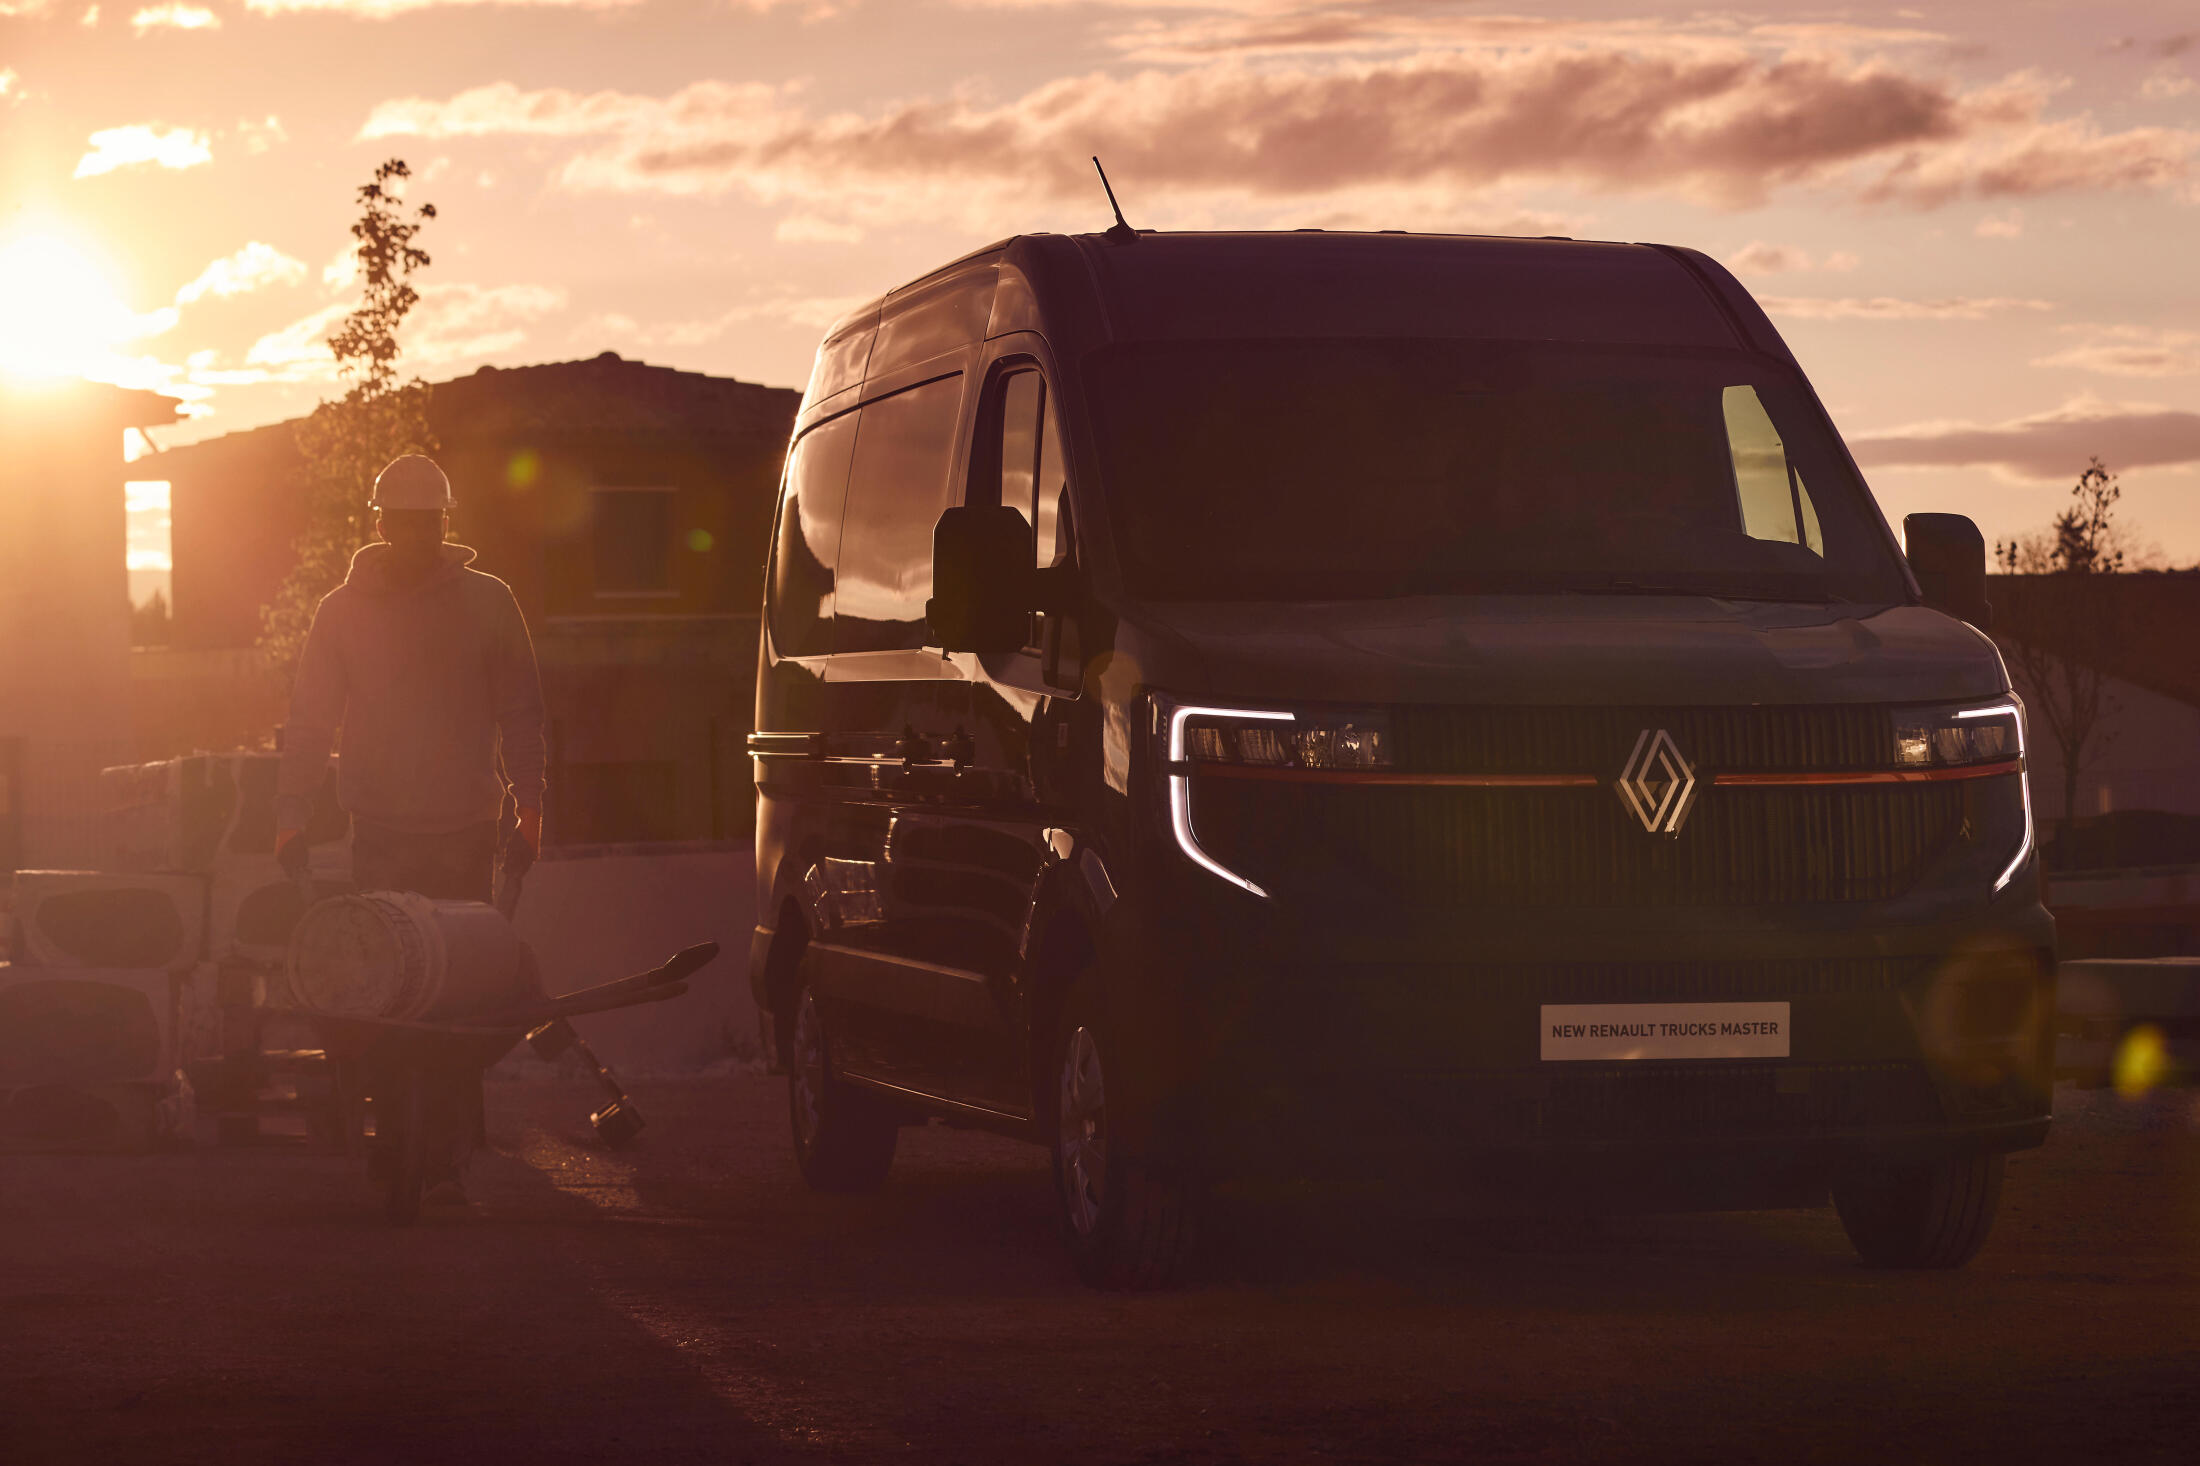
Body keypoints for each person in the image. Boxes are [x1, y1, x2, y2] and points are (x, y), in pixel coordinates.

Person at [275, 454, 546, 903]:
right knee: (393, 968)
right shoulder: (341, 613)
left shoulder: (490, 602)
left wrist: (530, 814)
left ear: (444, 524)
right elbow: (311, 724)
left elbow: (521, 715)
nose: (418, 534)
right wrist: (290, 820)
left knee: (459, 968)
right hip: (380, 836)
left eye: (428, 521)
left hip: (467, 834)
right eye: (405, 522)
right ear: (382, 526)